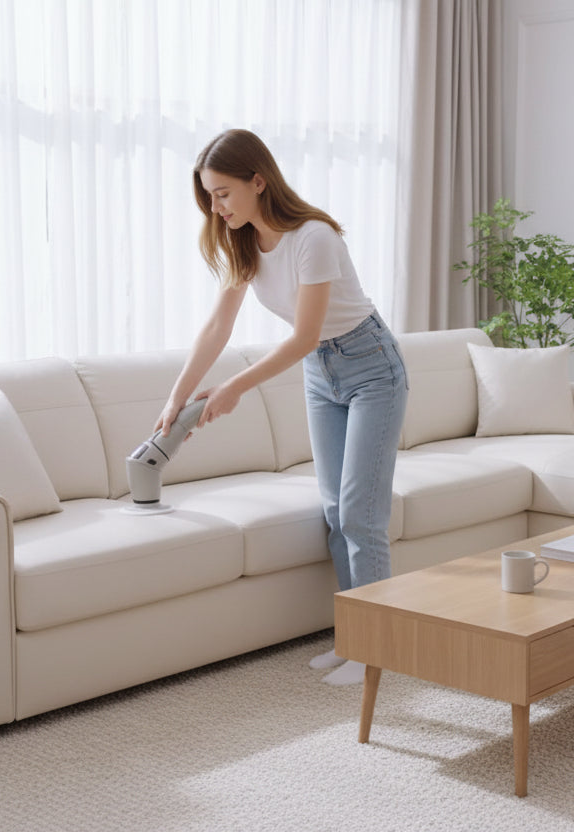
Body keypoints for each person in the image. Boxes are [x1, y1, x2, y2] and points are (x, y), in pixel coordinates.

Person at [155, 128, 409, 686]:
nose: (216, 209)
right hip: (322, 376)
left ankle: (376, 651)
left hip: (371, 369)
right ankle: (354, 641)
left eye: (222, 194)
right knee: (334, 511)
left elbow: (302, 336)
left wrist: (233, 388)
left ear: (258, 180)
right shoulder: (243, 243)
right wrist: (177, 397)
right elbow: (218, 326)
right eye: (208, 197)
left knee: (361, 513)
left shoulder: (313, 238)